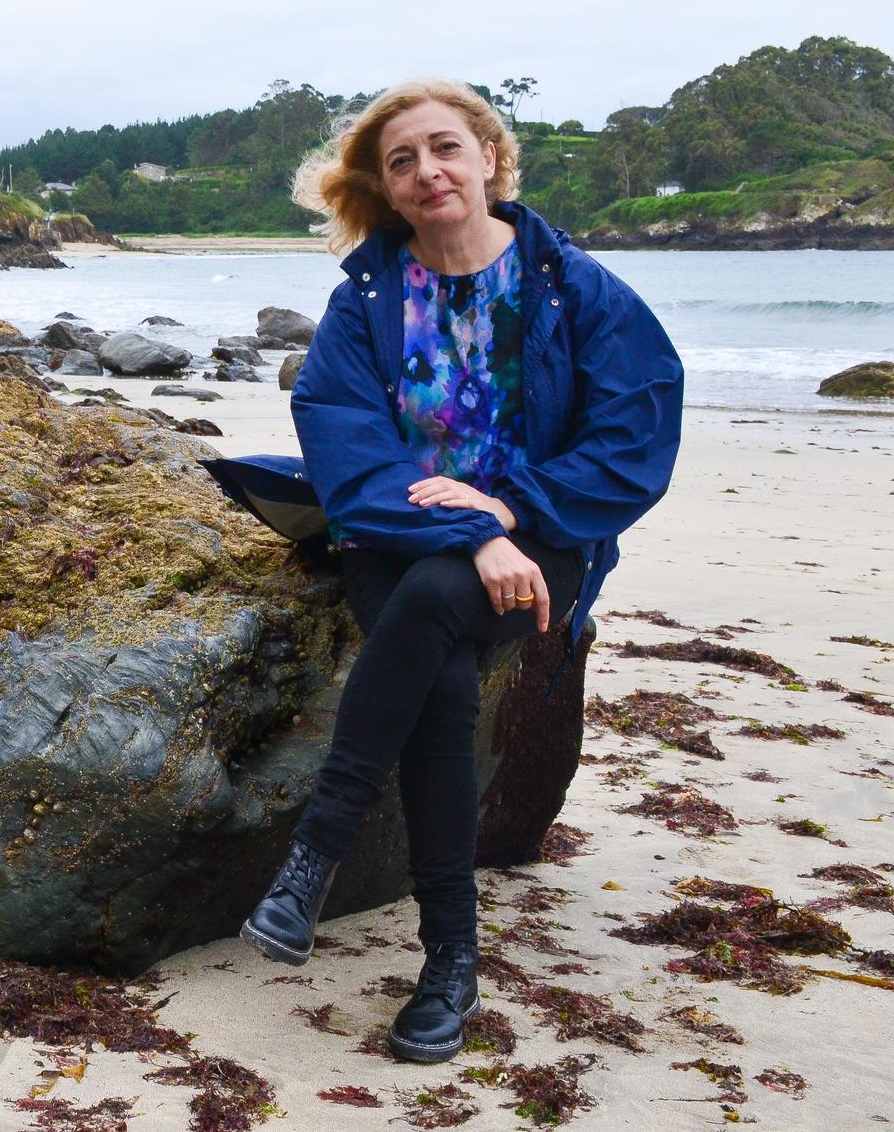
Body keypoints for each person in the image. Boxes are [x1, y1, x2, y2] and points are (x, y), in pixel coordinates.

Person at [235, 80, 683, 1063]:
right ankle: (448, 963)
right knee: (439, 656)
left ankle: (316, 850)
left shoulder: (570, 287)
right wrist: (474, 532)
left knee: (441, 603)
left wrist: (508, 510)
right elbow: (346, 454)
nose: (425, 171)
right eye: (401, 161)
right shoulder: (365, 302)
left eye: (444, 148)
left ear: (488, 156)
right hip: (392, 535)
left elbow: (634, 434)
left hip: (545, 537)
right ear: (386, 189)